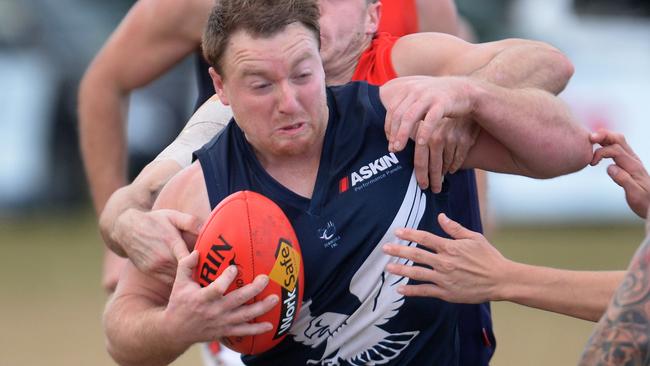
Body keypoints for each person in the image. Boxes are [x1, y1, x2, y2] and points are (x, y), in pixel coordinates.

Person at [102, 0, 592, 365]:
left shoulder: (402, 108)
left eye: (302, 75)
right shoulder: (204, 175)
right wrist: (174, 323)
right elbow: (123, 325)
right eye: (261, 85)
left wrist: (471, 96)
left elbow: (570, 144)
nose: (288, 101)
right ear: (221, 87)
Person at [77, 0, 466, 293]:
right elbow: (104, 84)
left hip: (400, 240)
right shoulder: (209, 17)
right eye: (261, 81)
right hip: (247, 246)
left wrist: (474, 213)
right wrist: (118, 244)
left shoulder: (421, 16)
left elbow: (470, 97)